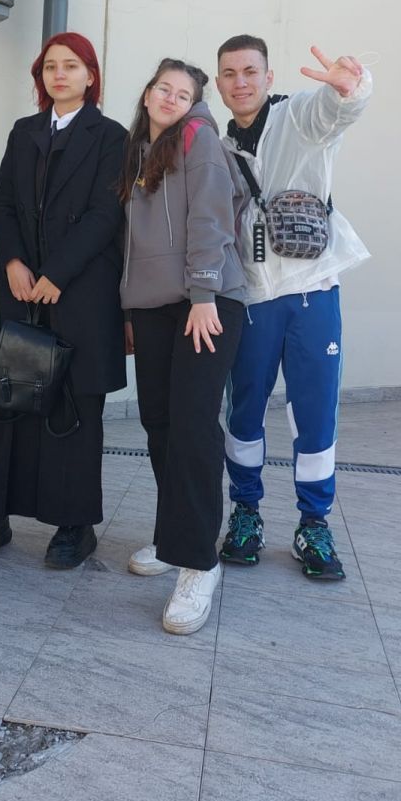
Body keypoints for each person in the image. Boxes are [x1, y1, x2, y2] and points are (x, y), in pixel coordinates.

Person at [0, 33, 127, 570]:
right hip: (23, 290)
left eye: (71, 66)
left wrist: (58, 272)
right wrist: (13, 261)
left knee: (76, 412)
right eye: (50, 66)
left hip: (81, 293)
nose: (59, 74)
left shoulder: (112, 136)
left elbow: (106, 213)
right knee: (9, 404)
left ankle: (75, 526)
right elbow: (4, 204)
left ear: (90, 76)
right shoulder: (24, 131)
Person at [215, 37, 372, 580]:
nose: (240, 81)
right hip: (253, 297)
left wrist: (351, 90)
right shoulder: (219, 147)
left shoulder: (297, 117)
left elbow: (335, 111)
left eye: (250, 71)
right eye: (229, 73)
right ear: (219, 83)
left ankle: (314, 523)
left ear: (268, 76)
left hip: (313, 290)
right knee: (244, 411)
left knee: (315, 411)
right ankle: (246, 513)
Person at [119, 59, 247, 635]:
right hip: (152, 305)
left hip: (206, 302)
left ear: (193, 102)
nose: (171, 98)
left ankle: (199, 562)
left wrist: (203, 293)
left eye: (183, 92)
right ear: (148, 94)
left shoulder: (198, 138)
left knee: (193, 426)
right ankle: (174, 538)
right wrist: (129, 308)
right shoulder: (137, 151)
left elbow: (211, 218)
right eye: (163, 88)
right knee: (160, 422)